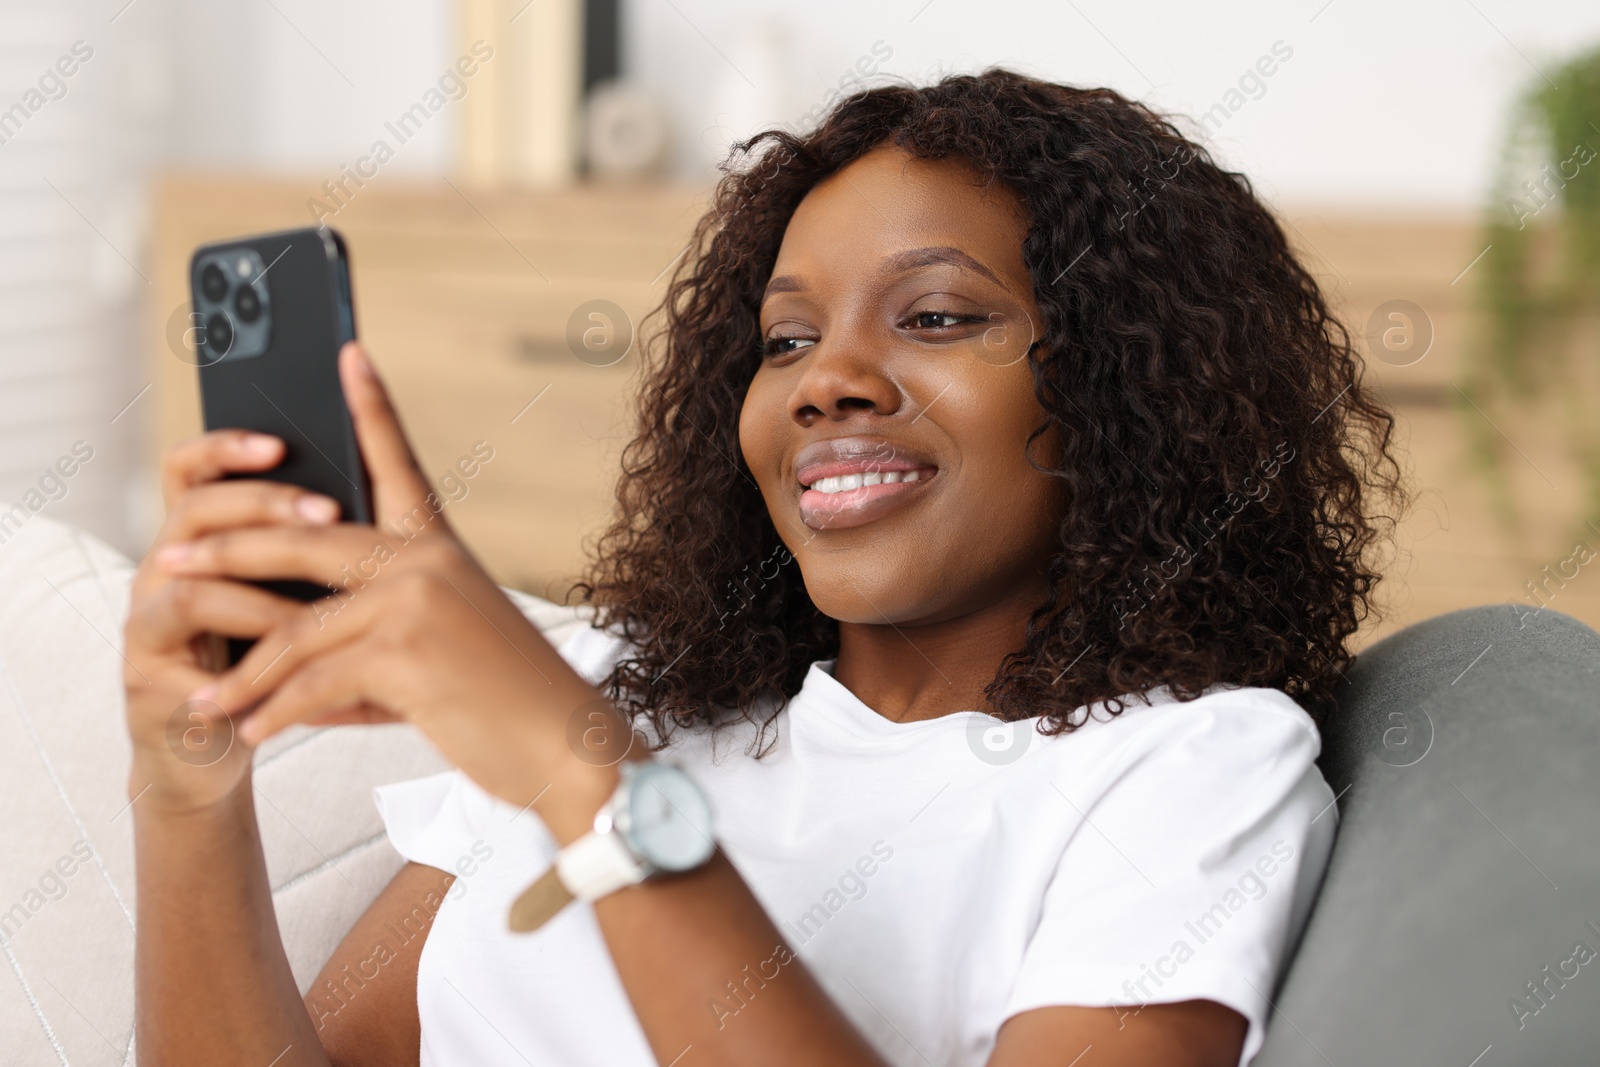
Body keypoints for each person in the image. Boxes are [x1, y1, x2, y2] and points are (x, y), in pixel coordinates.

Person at [122, 69, 1405, 1066]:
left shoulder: (1187, 768)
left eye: (939, 316)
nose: (825, 381)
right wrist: (187, 793)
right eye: (784, 338)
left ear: (1127, 386)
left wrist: (585, 779)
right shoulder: (633, 685)